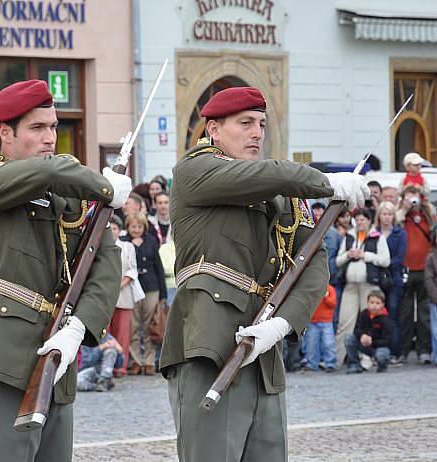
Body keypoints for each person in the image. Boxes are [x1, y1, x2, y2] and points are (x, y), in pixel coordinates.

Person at [161, 86, 369, 461]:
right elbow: (252, 177)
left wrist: (283, 324)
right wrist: (323, 181)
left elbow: (314, 259)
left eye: (261, 124)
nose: (257, 133)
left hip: (264, 354)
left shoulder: (283, 192)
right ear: (213, 130)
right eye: (245, 123)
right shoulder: (193, 169)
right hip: (210, 345)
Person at [0, 79, 128, 462]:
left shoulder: (64, 191)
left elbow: (106, 258)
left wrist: (79, 327)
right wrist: (101, 185)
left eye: (53, 127)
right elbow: (49, 169)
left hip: (56, 360)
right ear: (5, 133)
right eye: (37, 128)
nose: (50, 137)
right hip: (0, 360)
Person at [335, 208, 390, 364]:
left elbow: (386, 260)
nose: (360, 222)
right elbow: (338, 261)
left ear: (370, 221)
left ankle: (366, 359)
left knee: (368, 323)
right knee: (344, 322)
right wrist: (348, 255)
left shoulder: (378, 237)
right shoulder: (349, 237)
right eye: (357, 219)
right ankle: (337, 359)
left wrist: (364, 255)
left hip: (369, 286)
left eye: (363, 219)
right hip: (351, 285)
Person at [122, 212, 166, 375]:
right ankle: (135, 361)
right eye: (133, 226)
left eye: (139, 226)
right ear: (128, 227)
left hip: (151, 286)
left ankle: (149, 360)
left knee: (149, 326)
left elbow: (159, 267)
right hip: (131, 286)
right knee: (133, 326)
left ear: (144, 227)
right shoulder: (123, 242)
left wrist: (163, 294)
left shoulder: (151, 241)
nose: (136, 229)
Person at [396, 185, 433, 364]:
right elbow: (395, 221)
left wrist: (422, 206)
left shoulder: (427, 215)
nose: (412, 200)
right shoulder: (402, 216)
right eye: (409, 196)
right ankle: (404, 350)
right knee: (406, 313)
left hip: (425, 271)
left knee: (425, 313)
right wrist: (404, 208)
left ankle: (424, 349)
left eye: (415, 196)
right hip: (406, 271)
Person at [107, 216, 141, 377]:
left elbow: (132, 270)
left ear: (119, 230)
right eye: (110, 228)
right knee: (105, 332)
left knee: (122, 333)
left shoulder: (127, 247)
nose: (112, 231)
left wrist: (120, 285)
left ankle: (120, 367)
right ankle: (105, 365)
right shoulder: (101, 246)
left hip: (123, 294)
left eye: (115, 228)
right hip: (104, 296)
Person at [374, 201, 407, 363]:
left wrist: (383, 262)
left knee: (393, 315)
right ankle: (378, 352)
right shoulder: (374, 233)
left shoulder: (400, 233)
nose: (386, 217)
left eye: (389, 214)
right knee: (376, 315)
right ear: (379, 216)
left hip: (394, 279)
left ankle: (395, 352)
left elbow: (400, 258)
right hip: (377, 279)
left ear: (393, 216)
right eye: (384, 214)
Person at [345, 290, 393, 373]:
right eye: (372, 302)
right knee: (349, 338)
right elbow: (357, 328)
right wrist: (362, 336)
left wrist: (372, 341)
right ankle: (354, 365)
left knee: (381, 355)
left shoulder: (386, 319)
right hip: (364, 343)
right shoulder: (364, 314)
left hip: (379, 346)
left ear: (382, 305)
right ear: (367, 303)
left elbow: (388, 340)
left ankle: (382, 366)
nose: (374, 306)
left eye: (377, 303)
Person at [303, 284, 337, 372]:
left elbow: (333, 304)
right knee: (311, 344)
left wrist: (326, 296)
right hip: (312, 321)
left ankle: (330, 364)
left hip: (327, 321)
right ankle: (311, 364)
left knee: (329, 343)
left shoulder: (330, 289)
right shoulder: (311, 288)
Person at [423, 225, 437, 365]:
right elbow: (429, 279)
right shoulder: (431, 257)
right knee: (436, 330)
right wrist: (435, 296)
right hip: (435, 297)